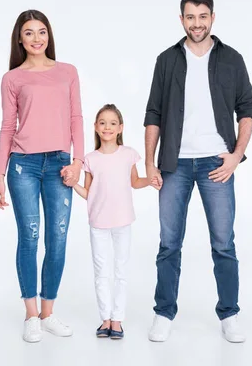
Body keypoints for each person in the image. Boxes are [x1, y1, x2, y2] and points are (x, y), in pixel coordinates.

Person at [143, 0, 252, 343]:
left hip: (216, 162)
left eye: (202, 16)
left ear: (212, 18)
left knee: (224, 242)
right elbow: (154, 113)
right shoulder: (167, 60)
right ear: (181, 20)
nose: (196, 23)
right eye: (190, 17)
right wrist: (150, 162)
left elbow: (248, 110)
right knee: (169, 244)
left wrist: (236, 156)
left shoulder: (232, 59)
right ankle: (163, 313)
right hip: (175, 163)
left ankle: (229, 314)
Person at [0, 9, 85, 343]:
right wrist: (0, 174)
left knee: (57, 240)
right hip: (23, 166)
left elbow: (76, 117)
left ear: (49, 35)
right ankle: (31, 314)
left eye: (41, 31)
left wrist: (79, 162)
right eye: (29, 33)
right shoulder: (13, 78)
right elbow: (7, 127)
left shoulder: (67, 72)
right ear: (20, 38)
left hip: (60, 164)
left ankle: (48, 312)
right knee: (29, 238)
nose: (36, 38)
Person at [74, 104, 150, 339]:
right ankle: (105, 318)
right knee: (101, 271)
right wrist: (72, 184)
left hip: (122, 221)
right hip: (98, 222)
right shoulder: (90, 159)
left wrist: (152, 180)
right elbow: (89, 192)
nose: (107, 127)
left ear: (120, 128)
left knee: (120, 270)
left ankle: (117, 319)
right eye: (103, 122)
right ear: (96, 127)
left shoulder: (128, 154)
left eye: (112, 123)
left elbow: (135, 182)